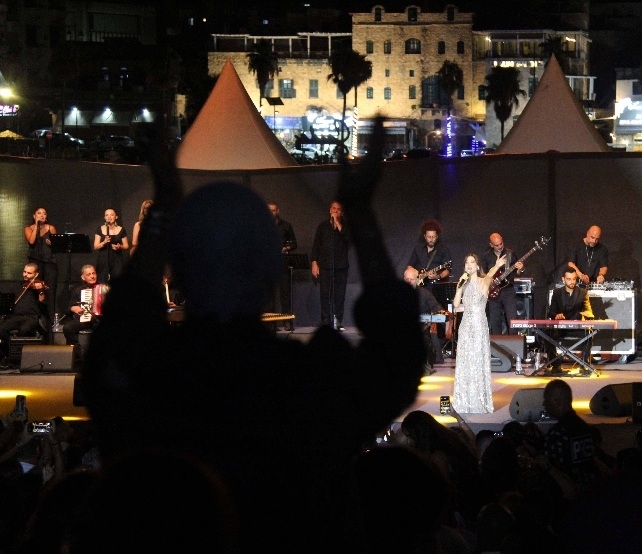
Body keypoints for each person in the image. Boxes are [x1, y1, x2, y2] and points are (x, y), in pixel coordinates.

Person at [79, 117, 424, 551]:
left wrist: (163, 210)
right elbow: (397, 357)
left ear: (178, 271)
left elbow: (117, 335)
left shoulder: (145, 380)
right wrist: (361, 215)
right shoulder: (308, 383)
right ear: (270, 272)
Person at [452, 253, 505, 414]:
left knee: (477, 360)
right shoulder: (463, 283)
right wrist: (459, 288)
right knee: (465, 361)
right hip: (465, 326)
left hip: (478, 325)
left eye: (472, 262)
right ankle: (464, 400)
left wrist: (497, 265)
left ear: (477, 266)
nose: (469, 265)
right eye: (466, 262)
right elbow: (456, 305)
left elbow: (490, 274)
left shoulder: (483, 282)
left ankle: (479, 400)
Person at [542, 379, 602, 492]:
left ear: (557, 402)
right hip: (592, 491)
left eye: (546, 400)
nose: (543, 404)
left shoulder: (557, 434)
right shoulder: (586, 429)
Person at [407, 219, 453, 361]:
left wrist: (437, 275)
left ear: (437, 236)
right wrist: (417, 274)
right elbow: (410, 266)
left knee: (437, 315)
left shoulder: (443, 249)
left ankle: (438, 347)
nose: (431, 239)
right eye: (429, 237)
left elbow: (448, 270)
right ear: (424, 236)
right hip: (421, 288)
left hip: (436, 287)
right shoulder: (418, 248)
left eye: (433, 237)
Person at [310, 200, 349, 330]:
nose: (335, 211)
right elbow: (316, 245)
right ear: (330, 210)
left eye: (338, 209)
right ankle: (326, 321)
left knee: (339, 295)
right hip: (325, 266)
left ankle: (337, 321)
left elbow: (347, 238)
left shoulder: (345, 225)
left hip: (341, 267)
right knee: (325, 295)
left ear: (341, 212)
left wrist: (337, 222)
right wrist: (314, 263)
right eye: (333, 208)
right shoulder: (323, 226)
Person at [0, 263, 48, 362]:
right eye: (24, 272)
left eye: (29, 273)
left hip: (31, 317)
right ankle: (13, 350)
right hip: (15, 317)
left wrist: (41, 291)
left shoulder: (38, 287)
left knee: (24, 330)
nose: (25, 274)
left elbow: (42, 301)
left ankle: (23, 356)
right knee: (2, 329)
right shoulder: (18, 286)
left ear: (36, 274)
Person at [547, 267, 595, 366]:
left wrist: (586, 314)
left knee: (589, 333)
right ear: (563, 279)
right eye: (569, 279)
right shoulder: (557, 292)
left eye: (574, 279)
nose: (572, 282)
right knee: (546, 333)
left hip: (577, 328)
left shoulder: (583, 293)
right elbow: (551, 312)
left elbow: (589, 311)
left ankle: (584, 364)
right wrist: (556, 315)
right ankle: (555, 363)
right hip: (561, 329)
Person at [404, 266, 445, 375]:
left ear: (417, 279)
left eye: (411, 279)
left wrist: (440, 313)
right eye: (407, 279)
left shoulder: (425, 293)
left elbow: (436, 307)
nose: (409, 282)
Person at [483, 232, 524, 335]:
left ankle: (513, 344)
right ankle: (496, 344)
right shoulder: (487, 256)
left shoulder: (510, 253)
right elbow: (483, 274)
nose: (500, 246)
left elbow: (518, 272)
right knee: (495, 321)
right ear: (491, 245)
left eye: (501, 243)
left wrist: (520, 268)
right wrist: (490, 281)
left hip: (508, 290)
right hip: (493, 291)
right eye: (497, 245)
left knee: (512, 321)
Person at [267, 201, 298, 330]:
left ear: (277, 211)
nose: (271, 213)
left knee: (285, 294)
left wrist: (285, 248)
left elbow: (294, 243)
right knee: (270, 296)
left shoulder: (286, 226)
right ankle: (271, 323)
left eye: (273, 210)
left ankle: (286, 321)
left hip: (283, 264)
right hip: (268, 265)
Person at [24, 207, 58, 320]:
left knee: (50, 290)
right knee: (36, 289)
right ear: (34, 216)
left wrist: (52, 243)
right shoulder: (28, 228)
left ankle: (50, 319)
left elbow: (57, 245)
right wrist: (36, 225)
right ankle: (34, 317)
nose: (42, 215)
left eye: (44, 213)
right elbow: (31, 241)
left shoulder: (51, 228)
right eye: (39, 213)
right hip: (35, 263)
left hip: (49, 263)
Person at [62, 265, 102, 349]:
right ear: (83, 277)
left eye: (93, 273)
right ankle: (78, 350)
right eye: (88, 274)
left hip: (100, 320)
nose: (92, 276)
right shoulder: (78, 290)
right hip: (86, 319)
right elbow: (68, 307)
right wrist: (73, 308)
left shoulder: (103, 288)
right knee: (67, 328)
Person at [93, 208, 129, 283]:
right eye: (107, 215)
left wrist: (120, 246)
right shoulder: (100, 229)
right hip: (103, 259)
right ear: (104, 217)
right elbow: (95, 246)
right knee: (103, 282)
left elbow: (126, 246)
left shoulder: (121, 229)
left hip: (117, 259)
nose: (109, 217)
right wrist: (104, 242)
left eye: (112, 215)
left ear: (116, 217)